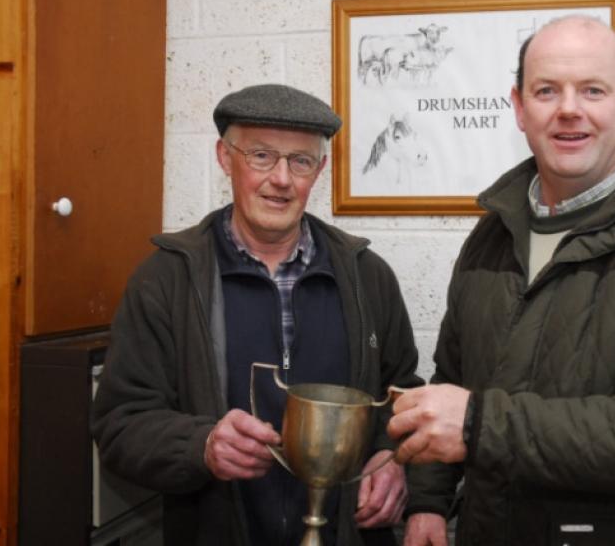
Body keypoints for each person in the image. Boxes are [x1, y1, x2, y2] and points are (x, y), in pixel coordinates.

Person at [387, 16, 615, 546]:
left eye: (592, 89)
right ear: (519, 108)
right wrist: (428, 501)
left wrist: (479, 425)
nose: (568, 109)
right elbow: (452, 378)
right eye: (547, 91)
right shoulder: (493, 234)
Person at [92, 83, 422, 546]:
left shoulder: (368, 276)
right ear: (225, 158)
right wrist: (200, 446)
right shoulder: (166, 279)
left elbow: (402, 397)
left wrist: (392, 461)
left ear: (319, 169)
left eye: (300, 161)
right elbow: (120, 424)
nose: (282, 179)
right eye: (262, 156)